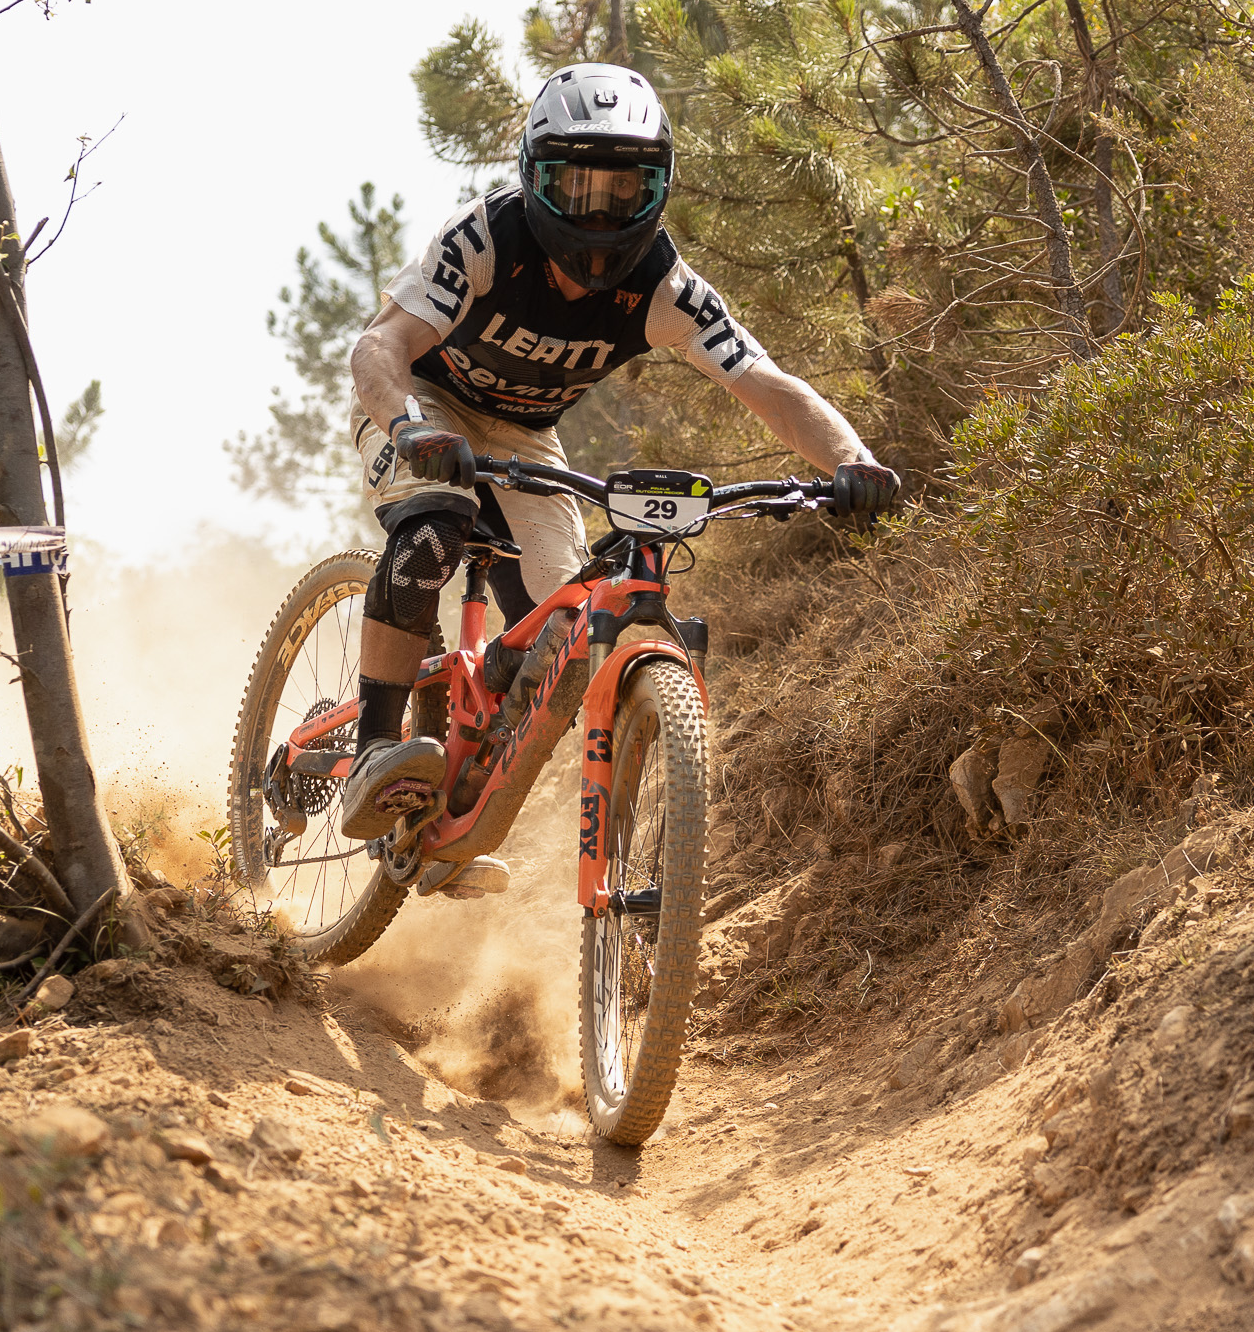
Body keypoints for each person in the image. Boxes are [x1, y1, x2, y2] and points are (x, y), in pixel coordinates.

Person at [334, 62, 899, 842]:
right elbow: (379, 346)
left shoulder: (665, 285)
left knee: (562, 634)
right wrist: (408, 427)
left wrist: (852, 459)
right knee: (434, 528)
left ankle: (458, 805)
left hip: (524, 433)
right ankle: (371, 750)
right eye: (577, 186)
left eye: (623, 188)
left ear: (658, 187)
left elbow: (768, 385)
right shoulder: (486, 238)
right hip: (421, 401)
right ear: (535, 177)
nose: (599, 212)